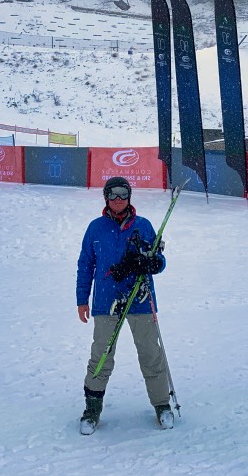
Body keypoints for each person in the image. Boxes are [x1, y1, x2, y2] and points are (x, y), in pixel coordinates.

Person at [76, 176, 172, 434]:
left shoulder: (143, 225)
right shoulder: (95, 228)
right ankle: (92, 407)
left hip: (140, 300)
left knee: (151, 353)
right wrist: (81, 300)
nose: (118, 199)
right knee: (101, 355)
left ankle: (162, 403)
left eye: (123, 193)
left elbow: (159, 260)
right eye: (113, 194)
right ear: (106, 197)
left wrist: (153, 264)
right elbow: (86, 265)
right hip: (106, 302)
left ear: (129, 196)